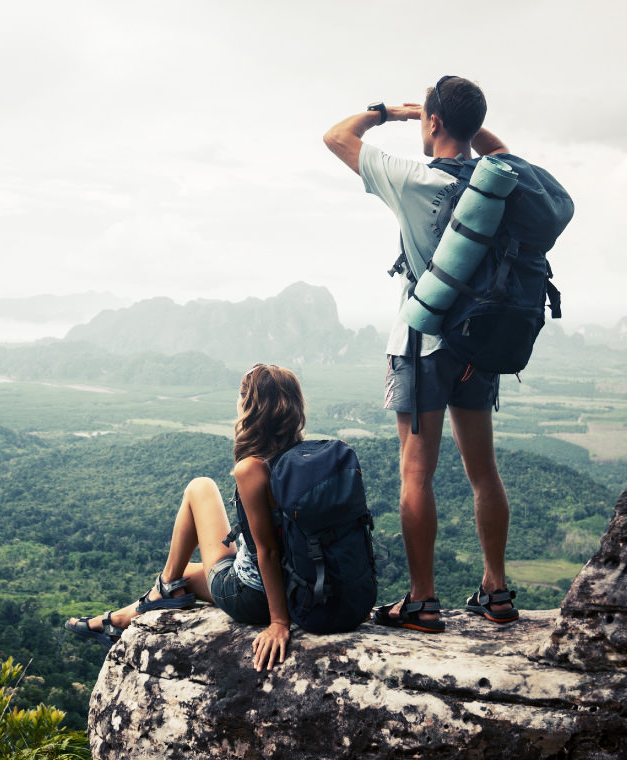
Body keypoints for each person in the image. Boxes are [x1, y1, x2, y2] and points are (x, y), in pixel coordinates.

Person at [322, 76, 518, 633]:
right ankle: (496, 590)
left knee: (416, 472)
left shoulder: (411, 178)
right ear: (473, 124)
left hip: (422, 343)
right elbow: (501, 152)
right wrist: (459, 120)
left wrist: (393, 113)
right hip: (478, 344)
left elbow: (337, 136)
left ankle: (422, 600)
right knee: (484, 471)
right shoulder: (498, 179)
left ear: (434, 123)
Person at [65, 363, 304, 671]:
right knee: (184, 577)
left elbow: (267, 551)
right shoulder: (302, 458)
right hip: (300, 586)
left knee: (199, 487)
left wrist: (279, 622)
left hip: (255, 597)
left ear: (250, 406)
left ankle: (156, 593)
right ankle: (121, 616)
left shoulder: (253, 468)